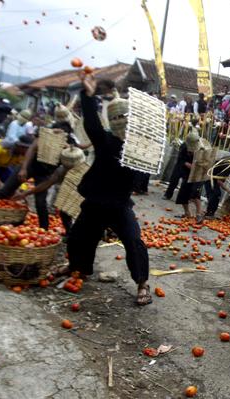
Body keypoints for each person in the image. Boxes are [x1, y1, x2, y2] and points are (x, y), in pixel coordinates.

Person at [66, 72, 151, 306]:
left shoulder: (139, 150)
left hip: (119, 205)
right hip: (95, 202)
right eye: (116, 117)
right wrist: (87, 94)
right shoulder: (104, 140)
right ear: (111, 121)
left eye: (125, 116)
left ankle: (142, 283)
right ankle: (77, 269)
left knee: (134, 241)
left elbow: (145, 170)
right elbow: (91, 120)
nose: (121, 121)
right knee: (78, 237)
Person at [13, 146, 86, 235]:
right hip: (70, 193)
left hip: (85, 193)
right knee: (64, 212)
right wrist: (27, 193)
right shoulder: (61, 170)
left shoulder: (88, 169)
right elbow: (47, 184)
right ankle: (70, 233)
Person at [175, 129, 203, 220]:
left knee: (195, 192)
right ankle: (187, 213)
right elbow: (180, 159)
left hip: (199, 173)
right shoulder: (183, 146)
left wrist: (197, 166)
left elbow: (207, 162)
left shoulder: (203, 149)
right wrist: (187, 164)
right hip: (187, 172)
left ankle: (199, 214)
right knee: (183, 191)